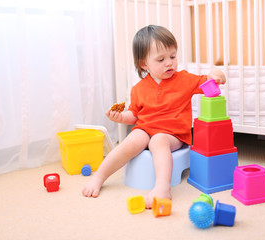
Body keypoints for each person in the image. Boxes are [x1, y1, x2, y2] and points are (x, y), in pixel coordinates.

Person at [82, 25, 226, 208]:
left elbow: (208, 81)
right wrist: (120, 118)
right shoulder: (138, 89)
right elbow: (134, 115)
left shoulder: (184, 79)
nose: (169, 63)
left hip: (173, 133)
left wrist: (217, 74)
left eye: (173, 57)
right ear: (144, 64)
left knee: (158, 140)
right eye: (161, 59)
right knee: (131, 140)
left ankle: (162, 186)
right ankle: (99, 177)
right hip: (146, 128)